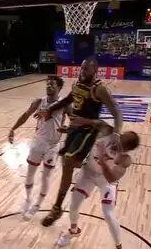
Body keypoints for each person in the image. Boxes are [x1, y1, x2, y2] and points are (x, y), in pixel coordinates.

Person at [38, 58, 124, 227]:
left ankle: (59, 205)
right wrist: (50, 109)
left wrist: (117, 134)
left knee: (69, 161)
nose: (82, 72)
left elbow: (117, 114)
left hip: (88, 130)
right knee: (67, 164)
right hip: (74, 129)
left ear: (95, 71)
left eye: (86, 69)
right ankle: (59, 205)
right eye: (81, 68)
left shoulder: (100, 89)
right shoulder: (77, 84)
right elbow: (67, 100)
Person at [57, 131, 140, 249]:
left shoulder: (125, 159)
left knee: (108, 214)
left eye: (123, 145)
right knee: (74, 205)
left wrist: (102, 162)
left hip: (106, 181)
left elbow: (111, 177)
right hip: (88, 173)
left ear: (128, 149)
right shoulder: (107, 134)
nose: (119, 144)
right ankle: (74, 231)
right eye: (121, 138)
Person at [7, 75, 68, 219]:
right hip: (38, 142)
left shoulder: (65, 104)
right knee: (30, 173)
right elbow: (25, 115)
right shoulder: (39, 101)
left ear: (59, 87)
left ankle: (37, 205)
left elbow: (74, 121)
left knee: (46, 177)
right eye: (47, 84)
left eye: (52, 84)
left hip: (53, 146)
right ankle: (28, 199)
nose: (49, 86)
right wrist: (13, 129)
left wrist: (68, 129)